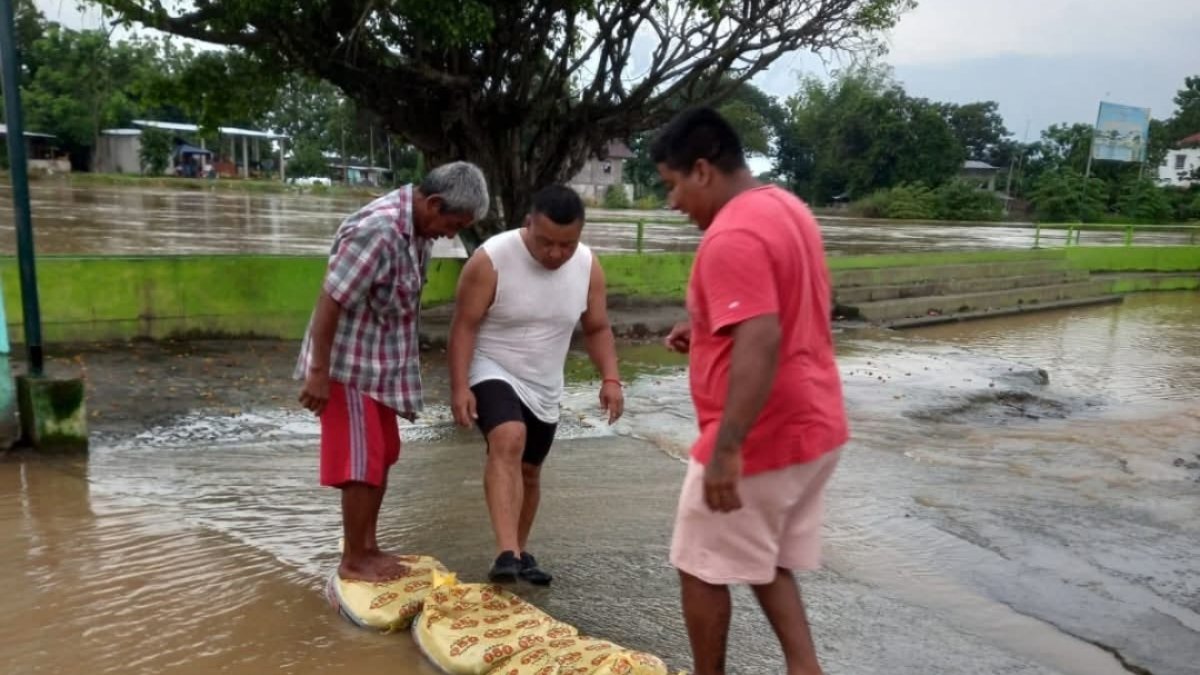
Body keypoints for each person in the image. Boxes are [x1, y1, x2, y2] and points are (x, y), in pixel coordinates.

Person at [651, 107, 849, 675]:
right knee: (762, 556)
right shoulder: (786, 207)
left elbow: (761, 337)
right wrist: (706, 326)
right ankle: (805, 667)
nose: (673, 203)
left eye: (673, 185)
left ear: (703, 170)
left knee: (698, 563)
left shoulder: (731, 234)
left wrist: (727, 448)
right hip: (815, 424)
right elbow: (780, 306)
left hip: (761, 434)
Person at [297, 161, 490, 582]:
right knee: (360, 461)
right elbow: (331, 299)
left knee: (382, 453)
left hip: (379, 368)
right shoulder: (379, 230)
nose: (450, 235)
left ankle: (368, 547)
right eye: (453, 224)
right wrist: (318, 372)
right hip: (347, 366)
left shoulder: (416, 231)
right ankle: (354, 559)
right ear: (434, 203)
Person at [448, 184, 624, 585]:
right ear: (528, 223)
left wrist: (611, 378)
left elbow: (597, 327)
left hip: (545, 381)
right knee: (508, 437)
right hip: (492, 366)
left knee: (530, 470)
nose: (556, 253)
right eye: (546, 242)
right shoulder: (491, 259)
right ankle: (506, 552)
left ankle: (519, 553)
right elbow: (464, 326)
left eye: (567, 244)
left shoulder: (588, 266)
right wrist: (460, 386)